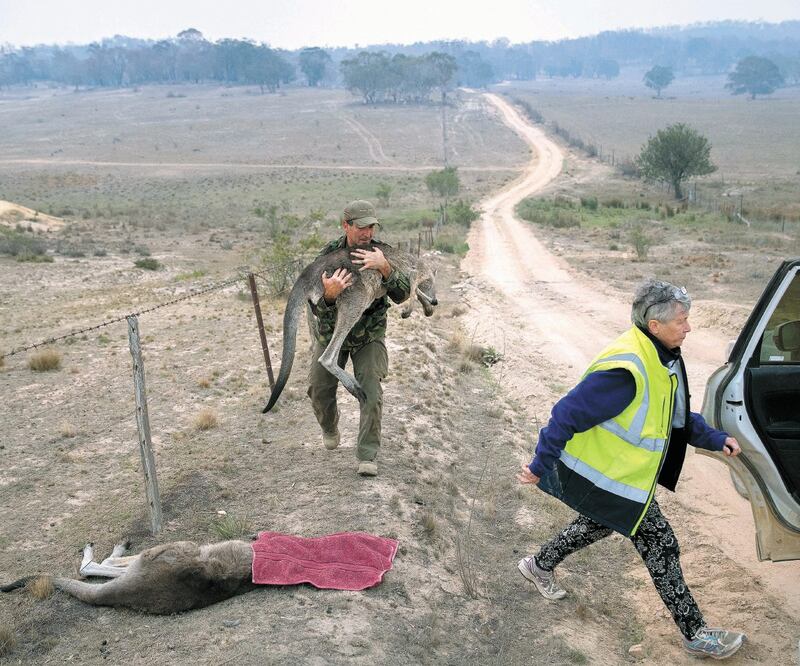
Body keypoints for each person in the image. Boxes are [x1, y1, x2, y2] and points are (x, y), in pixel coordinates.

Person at [516, 279, 746, 660]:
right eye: (682, 322)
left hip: (618, 480)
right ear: (655, 326)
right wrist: (540, 466)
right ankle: (696, 634)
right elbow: (565, 414)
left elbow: (672, 412)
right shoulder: (627, 370)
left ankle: (538, 565)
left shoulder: (660, 355)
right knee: (661, 542)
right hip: (610, 479)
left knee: (599, 522)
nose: (688, 328)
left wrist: (712, 437)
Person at [307, 200, 410, 477]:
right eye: (361, 227)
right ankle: (329, 426)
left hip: (369, 334)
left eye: (371, 227)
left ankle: (367, 454)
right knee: (319, 388)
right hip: (331, 334)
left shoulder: (381, 252)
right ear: (346, 226)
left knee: (371, 392)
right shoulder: (328, 254)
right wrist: (330, 294)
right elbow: (315, 307)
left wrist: (386, 269)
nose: (367, 233)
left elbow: (402, 295)